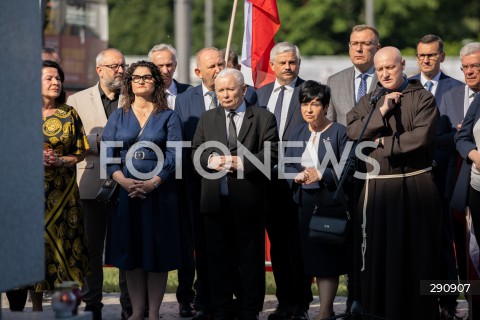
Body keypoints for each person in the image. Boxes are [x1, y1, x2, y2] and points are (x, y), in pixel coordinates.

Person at [346, 47, 441, 319]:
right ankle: (380, 311)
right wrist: (382, 111)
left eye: (390, 67)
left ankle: (423, 312)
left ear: (403, 65)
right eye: (380, 69)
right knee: (379, 258)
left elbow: (420, 138)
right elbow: (354, 130)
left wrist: (380, 143)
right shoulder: (370, 99)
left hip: (415, 187)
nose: (385, 73)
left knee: (418, 256)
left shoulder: (422, 97)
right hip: (377, 190)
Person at [191, 68, 278, 320]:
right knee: (217, 258)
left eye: (230, 89)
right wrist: (212, 159)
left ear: (244, 89)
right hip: (215, 201)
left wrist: (240, 162)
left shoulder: (263, 118)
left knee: (249, 260)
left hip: (249, 201)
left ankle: (249, 308)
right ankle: (220, 307)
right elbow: (196, 151)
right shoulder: (207, 118)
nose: (225, 95)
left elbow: (272, 154)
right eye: (220, 90)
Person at [102, 60, 183, 320]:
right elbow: (109, 153)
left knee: (157, 254)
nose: (141, 81)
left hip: (159, 194)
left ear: (156, 82)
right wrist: (123, 181)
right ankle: (137, 312)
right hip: (126, 193)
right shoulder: (118, 115)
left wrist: (154, 182)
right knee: (132, 253)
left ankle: (155, 314)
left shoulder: (169, 115)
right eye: (136, 78)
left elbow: (175, 154)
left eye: (147, 77)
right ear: (129, 83)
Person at [66, 48, 127, 320]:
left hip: (127, 181)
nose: (120, 70)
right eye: (114, 66)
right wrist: (96, 143)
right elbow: (70, 140)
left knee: (126, 245)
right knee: (91, 246)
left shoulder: (135, 98)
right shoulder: (78, 100)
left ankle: (129, 301)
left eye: (123, 65)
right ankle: (92, 302)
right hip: (90, 181)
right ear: (99, 70)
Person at [256, 41, 312, 320]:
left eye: (292, 62)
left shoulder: (309, 91)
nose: (288, 67)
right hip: (266, 182)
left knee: (299, 244)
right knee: (277, 245)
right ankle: (284, 301)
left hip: (298, 179)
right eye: (283, 63)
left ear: (298, 64)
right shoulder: (259, 94)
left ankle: (301, 303)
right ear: (272, 66)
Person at [409, 35, 464, 320]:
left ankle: (448, 302)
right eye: (421, 55)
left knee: (444, 243)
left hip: (446, 178)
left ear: (442, 56)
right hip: (410, 179)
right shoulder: (406, 87)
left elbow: (459, 136)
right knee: (416, 243)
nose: (426, 60)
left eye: (431, 55)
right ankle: (419, 299)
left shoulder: (458, 90)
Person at [284, 81, 349, 320]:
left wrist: (321, 174)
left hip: (328, 204)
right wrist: (296, 175)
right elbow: (287, 163)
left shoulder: (339, 132)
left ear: (326, 106)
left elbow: (347, 168)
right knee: (304, 257)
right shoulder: (297, 132)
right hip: (302, 203)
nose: (309, 109)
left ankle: (325, 310)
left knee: (326, 259)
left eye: (315, 104)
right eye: (305, 104)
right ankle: (304, 306)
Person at [175, 47, 226, 320]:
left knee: (226, 243)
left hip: (232, 182)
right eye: (212, 66)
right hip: (196, 183)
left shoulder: (243, 93)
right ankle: (197, 297)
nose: (218, 69)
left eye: (221, 63)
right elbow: (182, 140)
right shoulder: (185, 100)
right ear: (198, 72)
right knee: (198, 242)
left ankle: (227, 297)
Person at [35, 60, 90, 310]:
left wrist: (59, 160)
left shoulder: (69, 114)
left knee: (66, 250)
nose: (56, 82)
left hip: (64, 196)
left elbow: (80, 152)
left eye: (58, 78)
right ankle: (35, 311)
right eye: (49, 78)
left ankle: (66, 311)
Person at [148, 43, 195, 318]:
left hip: (188, 178)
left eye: (170, 65)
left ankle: (186, 297)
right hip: (155, 179)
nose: (165, 71)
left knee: (189, 240)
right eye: (160, 66)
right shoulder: (140, 96)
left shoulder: (191, 93)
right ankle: (138, 300)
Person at [449, 42, 480, 319]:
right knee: (471, 250)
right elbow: (461, 137)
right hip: (469, 186)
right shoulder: (471, 98)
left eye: (475, 66)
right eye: (466, 67)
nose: (469, 72)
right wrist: (476, 156)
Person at [327, 25, 381, 126]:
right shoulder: (334, 82)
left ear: (377, 48)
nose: (359, 49)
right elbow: (330, 124)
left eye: (366, 43)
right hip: (344, 141)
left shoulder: (390, 79)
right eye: (354, 43)